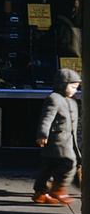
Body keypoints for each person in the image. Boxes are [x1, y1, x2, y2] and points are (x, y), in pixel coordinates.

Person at [32, 68, 82, 204]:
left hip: (66, 141)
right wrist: (42, 134)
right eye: (72, 87)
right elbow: (46, 118)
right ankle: (59, 189)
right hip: (58, 141)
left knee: (48, 167)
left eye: (76, 88)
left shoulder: (71, 101)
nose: (75, 90)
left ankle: (40, 192)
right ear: (62, 84)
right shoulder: (54, 99)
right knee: (70, 163)